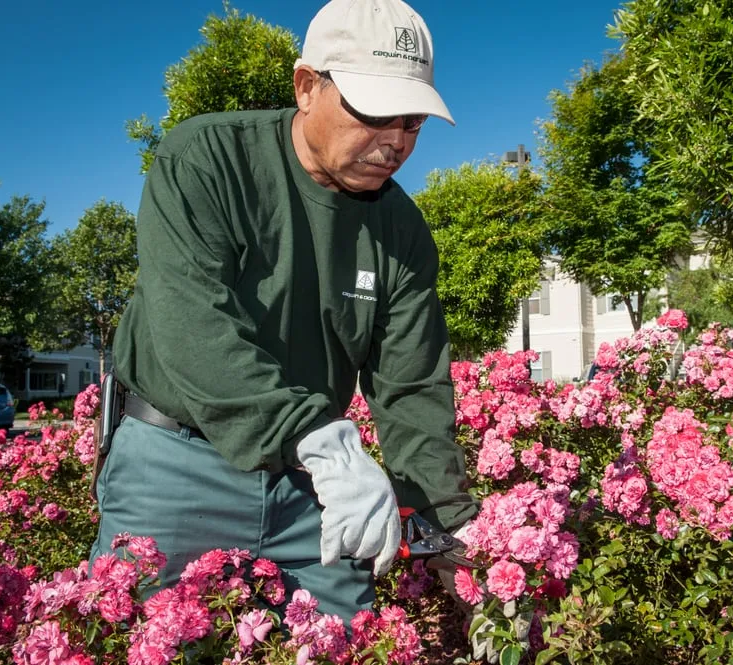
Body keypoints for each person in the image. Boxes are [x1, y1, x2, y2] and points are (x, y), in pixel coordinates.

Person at [89, 0, 478, 624]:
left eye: (412, 120)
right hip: (178, 466)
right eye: (376, 112)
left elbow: (410, 384)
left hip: (316, 488)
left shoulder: (401, 227)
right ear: (306, 86)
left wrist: (446, 522)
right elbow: (192, 328)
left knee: (348, 639)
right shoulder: (207, 160)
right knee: (146, 636)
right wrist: (318, 441)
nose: (395, 141)